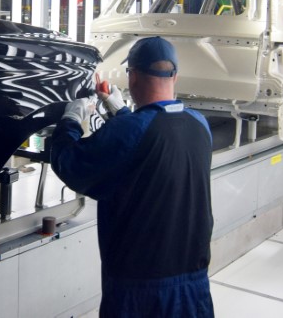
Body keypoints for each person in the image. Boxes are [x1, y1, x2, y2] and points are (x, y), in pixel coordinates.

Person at [51, 36, 215, 317]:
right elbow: (154, 142)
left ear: (134, 76)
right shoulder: (199, 124)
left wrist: (70, 119)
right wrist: (120, 111)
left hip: (139, 291)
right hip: (194, 285)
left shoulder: (129, 130)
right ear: (174, 75)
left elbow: (70, 164)